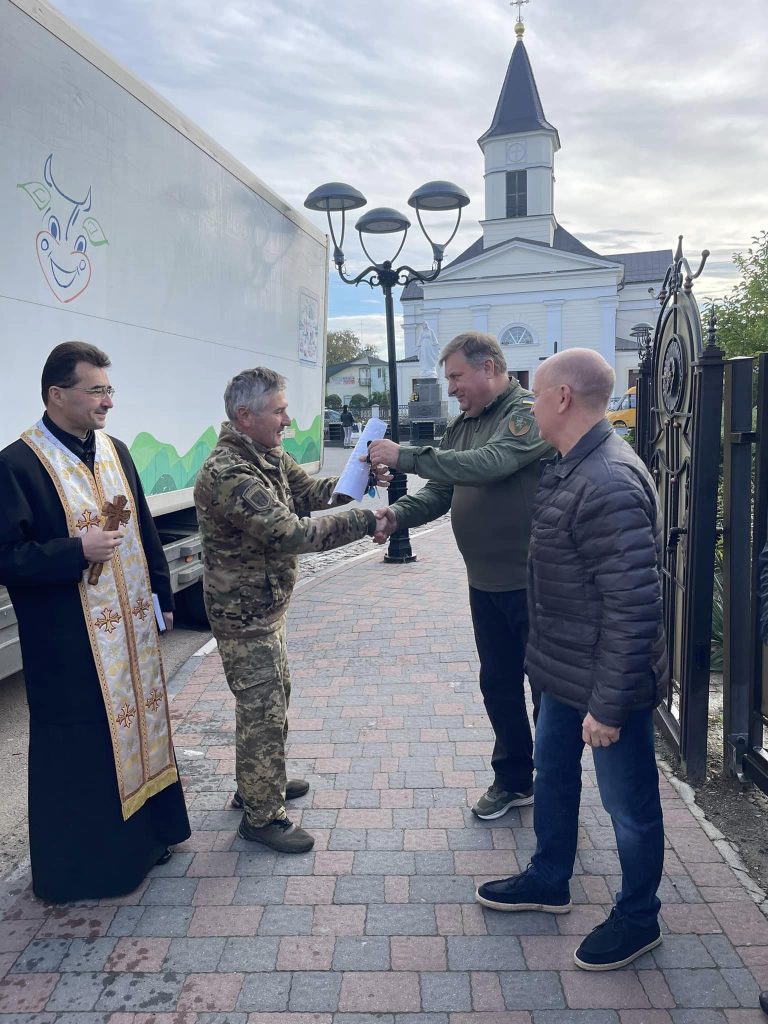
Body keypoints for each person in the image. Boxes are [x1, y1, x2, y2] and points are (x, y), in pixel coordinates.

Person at [475, 348, 668, 972]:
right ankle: (549, 877)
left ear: (562, 398)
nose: (529, 408)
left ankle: (638, 918)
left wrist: (608, 707)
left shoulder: (607, 481)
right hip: (563, 671)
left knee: (628, 807)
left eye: (535, 395)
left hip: (609, 682)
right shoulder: (571, 464)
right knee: (552, 774)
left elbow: (634, 607)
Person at [0, 341, 190, 904]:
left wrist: (162, 593)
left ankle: (149, 838)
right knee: (85, 747)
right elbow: (7, 557)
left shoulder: (115, 450)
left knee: (140, 729)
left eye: (109, 389)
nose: (108, 401)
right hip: (68, 642)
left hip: (129, 629)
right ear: (57, 395)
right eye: (97, 390)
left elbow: (143, 529)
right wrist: (74, 550)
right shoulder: (17, 465)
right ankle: (95, 868)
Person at [194, 367, 389, 854]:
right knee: (262, 709)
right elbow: (291, 533)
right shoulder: (231, 473)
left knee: (272, 700)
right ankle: (262, 818)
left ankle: (258, 784)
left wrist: (359, 475)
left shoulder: (266, 454)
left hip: (265, 607)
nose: (287, 421)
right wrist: (365, 520)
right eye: (279, 411)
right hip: (243, 615)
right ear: (245, 416)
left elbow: (310, 493)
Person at [368, 331, 552, 820]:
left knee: (547, 692)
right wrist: (397, 516)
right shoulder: (464, 423)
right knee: (498, 685)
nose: (450, 388)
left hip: (533, 583)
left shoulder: (525, 413)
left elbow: (492, 464)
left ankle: (557, 790)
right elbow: (442, 489)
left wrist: (404, 455)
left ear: (488, 367)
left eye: (456, 376)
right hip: (484, 583)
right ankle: (514, 780)